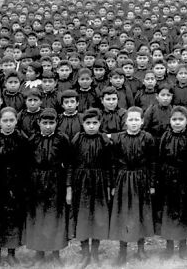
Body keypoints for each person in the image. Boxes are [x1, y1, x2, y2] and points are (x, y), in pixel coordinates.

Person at [0, 106, 30, 266]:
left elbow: (26, 165)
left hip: (16, 187)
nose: (8, 124)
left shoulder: (22, 140)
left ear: (16, 121)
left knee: (13, 220)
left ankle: (11, 253)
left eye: (11, 120)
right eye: (5, 121)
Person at [108, 106, 156, 265]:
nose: (134, 123)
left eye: (137, 120)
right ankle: (123, 251)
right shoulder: (118, 138)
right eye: (131, 119)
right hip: (123, 179)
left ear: (142, 121)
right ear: (125, 122)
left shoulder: (147, 138)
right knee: (124, 214)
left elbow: (152, 162)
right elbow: (113, 163)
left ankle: (141, 249)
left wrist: (151, 183)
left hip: (141, 178)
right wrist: (113, 184)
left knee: (141, 212)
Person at [24, 108, 70, 265]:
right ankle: (39, 253)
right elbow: (27, 163)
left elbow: (68, 163)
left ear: (57, 123)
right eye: (45, 123)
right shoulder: (32, 140)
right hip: (36, 182)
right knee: (38, 216)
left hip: (56, 180)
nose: (48, 126)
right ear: (39, 123)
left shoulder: (62, 139)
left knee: (55, 216)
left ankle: (56, 252)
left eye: (52, 123)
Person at [154, 106, 187, 260]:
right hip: (167, 180)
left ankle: (183, 246)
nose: (177, 123)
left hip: (184, 180)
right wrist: (158, 181)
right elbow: (160, 160)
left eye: (181, 120)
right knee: (168, 213)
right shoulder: (165, 136)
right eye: (174, 119)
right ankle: (168, 246)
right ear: (170, 121)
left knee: (183, 213)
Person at [68, 108, 110, 268]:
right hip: (81, 182)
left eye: (95, 123)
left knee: (98, 217)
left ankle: (95, 253)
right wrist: (70, 186)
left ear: (100, 123)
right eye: (88, 123)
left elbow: (108, 165)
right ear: (83, 124)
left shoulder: (104, 141)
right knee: (83, 216)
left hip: (98, 182)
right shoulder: (77, 139)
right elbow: (70, 165)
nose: (91, 126)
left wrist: (108, 185)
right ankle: (85, 253)